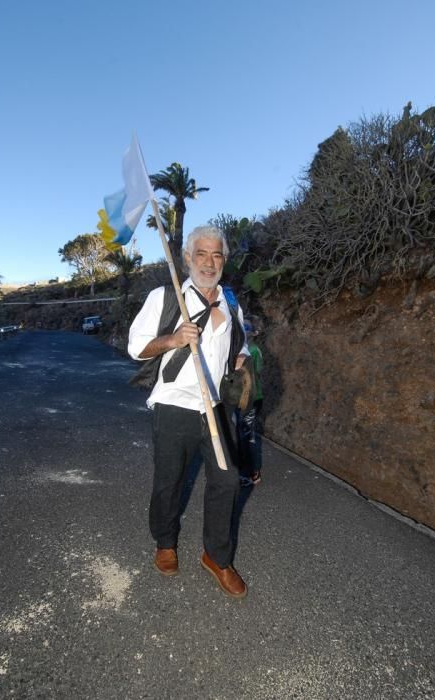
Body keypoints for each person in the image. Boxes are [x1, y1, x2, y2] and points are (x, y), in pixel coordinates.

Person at [128, 226, 249, 599]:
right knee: (169, 482)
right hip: (174, 405)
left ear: (223, 261)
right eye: (201, 254)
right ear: (187, 258)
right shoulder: (166, 297)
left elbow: (240, 343)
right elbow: (136, 347)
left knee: (227, 481)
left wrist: (243, 365)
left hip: (212, 407)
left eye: (216, 255)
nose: (209, 262)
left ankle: (216, 557)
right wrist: (173, 339)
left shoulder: (230, 301)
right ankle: (165, 542)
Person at [237, 319, 263, 487]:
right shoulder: (251, 350)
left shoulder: (251, 351)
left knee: (247, 435)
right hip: (249, 398)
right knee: (244, 434)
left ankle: (252, 473)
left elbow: (252, 374)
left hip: (251, 399)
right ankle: (248, 471)